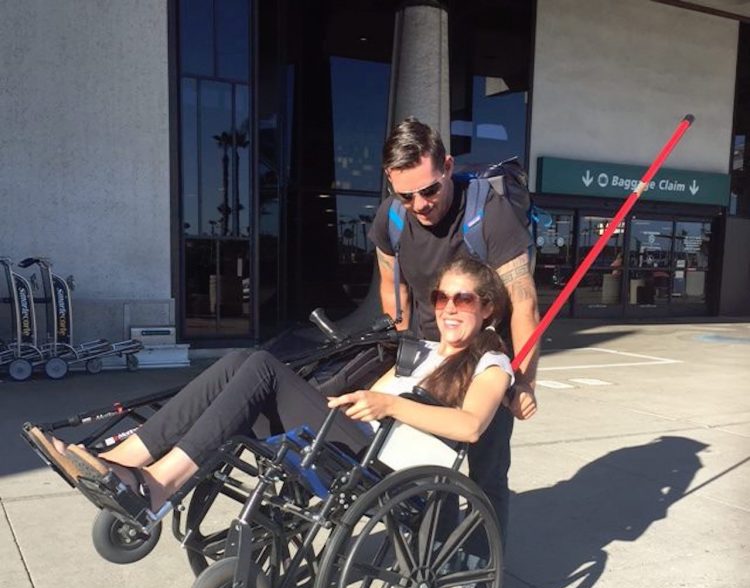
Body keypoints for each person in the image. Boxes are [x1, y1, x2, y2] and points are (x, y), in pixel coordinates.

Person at [31, 256, 513, 517]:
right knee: (242, 361)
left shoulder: (491, 363)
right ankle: (125, 460)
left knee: (261, 365)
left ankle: (160, 486)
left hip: (386, 469)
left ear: (487, 307)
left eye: (462, 299)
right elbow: (362, 400)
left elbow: (470, 426)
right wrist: (344, 397)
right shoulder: (425, 351)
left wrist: (388, 402)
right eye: (441, 296)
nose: (449, 307)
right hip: (355, 440)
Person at [369, 117, 540, 543]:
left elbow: (524, 302)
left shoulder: (490, 216)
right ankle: (434, 556)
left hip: (484, 354)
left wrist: (524, 383)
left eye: (429, 190)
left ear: (447, 166)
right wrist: (404, 351)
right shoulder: (391, 218)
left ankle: (482, 565)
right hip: (430, 349)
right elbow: (393, 290)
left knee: (487, 474)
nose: (420, 204)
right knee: (425, 464)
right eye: (406, 195)